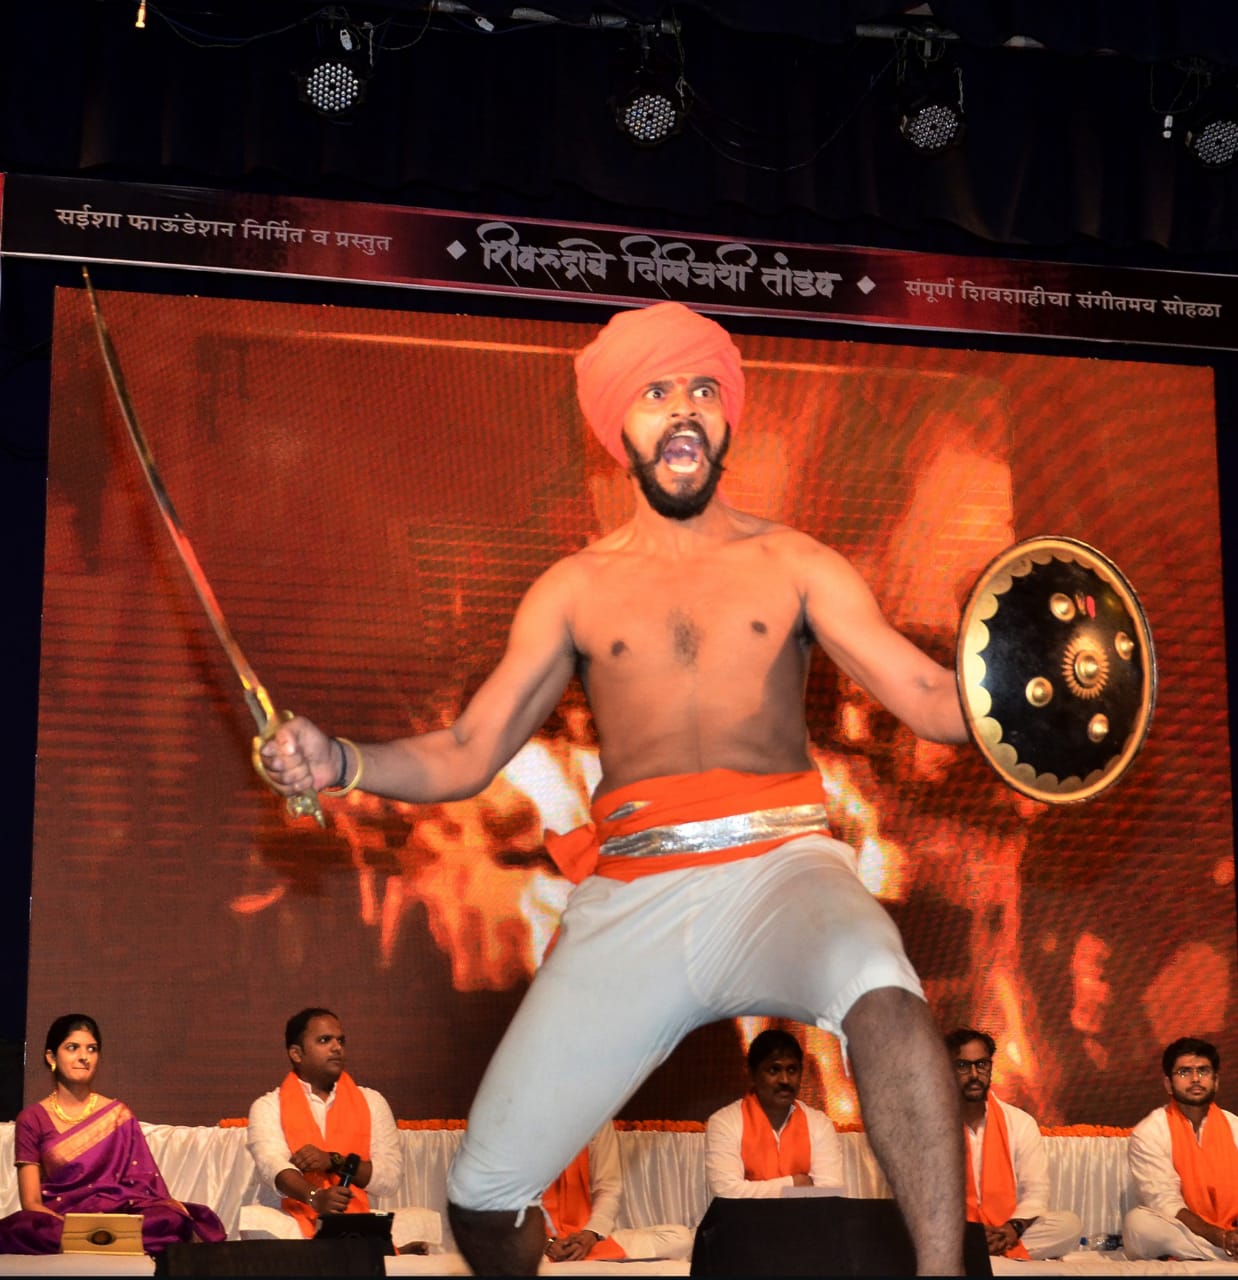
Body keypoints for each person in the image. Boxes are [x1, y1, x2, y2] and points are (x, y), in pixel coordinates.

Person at [257, 300, 970, 1275]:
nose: (681, 407)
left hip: (781, 868)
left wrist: (1019, 704)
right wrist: (339, 758)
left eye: (702, 387)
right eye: (653, 389)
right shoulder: (572, 589)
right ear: (616, 427)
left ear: (727, 420)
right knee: (480, 1196)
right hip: (631, 892)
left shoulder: (795, 561)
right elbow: (468, 749)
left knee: (883, 992)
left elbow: (930, 694)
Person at [0, 1014, 225, 1254]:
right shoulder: (32, 1118)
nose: (84, 1057)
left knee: (169, 1219)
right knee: (21, 1227)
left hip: (119, 1214)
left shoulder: (118, 1115)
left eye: (92, 1049)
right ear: (51, 1057)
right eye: (72, 1048)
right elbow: (32, 1202)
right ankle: (98, 1239)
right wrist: (73, 1228)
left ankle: (100, 1238)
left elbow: (143, 1185)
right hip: (61, 1220)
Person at [242, 1007, 440, 1253]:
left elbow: (388, 1179)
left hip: (357, 1218)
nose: (337, 1047)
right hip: (292, 1220)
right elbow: (273, 1167)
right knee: (260, 1222)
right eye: (325, 1040)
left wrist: (333, 1161)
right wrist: (316, 1198)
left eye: (341, 1040)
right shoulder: (268, 1107)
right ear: (296, 1053)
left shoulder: (372, 1102)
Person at [946, 1027, 1081, 1260]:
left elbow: (1036, 1191)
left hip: (1007, 1229)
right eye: (963, 1066)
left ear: (990, 1066)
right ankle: (979, 1249)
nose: (975, 1074)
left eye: (982, 1064)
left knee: (1069, 1225)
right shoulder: (929, 1127)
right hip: (954, 1233)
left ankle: (983, 1250)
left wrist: (1011, 1230)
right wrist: (970, 1233)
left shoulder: (1019, 1123)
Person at [1124, 1037, 1238, 1261]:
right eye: (1185, 1072)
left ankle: (1221, 1251)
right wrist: (1220, 1237)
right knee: (1139, 1225)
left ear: (1216, 1081)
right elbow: (1165, 1203)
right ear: (1168, 1084)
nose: (1195, 1079)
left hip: (1232, 1230)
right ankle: (1222, 1253)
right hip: (1183, 1231)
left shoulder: (1235, 1126)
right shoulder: (1150, 1131)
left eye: (1203, 1071)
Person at [704, 1027, 845, 1199]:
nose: (784, 1080)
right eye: (774, 1070)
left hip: (805, 1224)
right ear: (752, 1074)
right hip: (745, 1224)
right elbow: (727, 1193)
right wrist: (794, 1183)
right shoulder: (725, 1122)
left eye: (792, 1070)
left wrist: (755, 1189)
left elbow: (831, 1192)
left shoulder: (818, 1123)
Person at [541, 1122, 692, 1261]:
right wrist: (544, 1243)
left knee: (680, 1238)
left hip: (584, 1236)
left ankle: (571, 1259)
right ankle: (566, 1261)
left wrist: (591, 1234)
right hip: (531, 1243)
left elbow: (608, 1189)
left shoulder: (598, 1117)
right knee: (524, 1257)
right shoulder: (521, 1116)